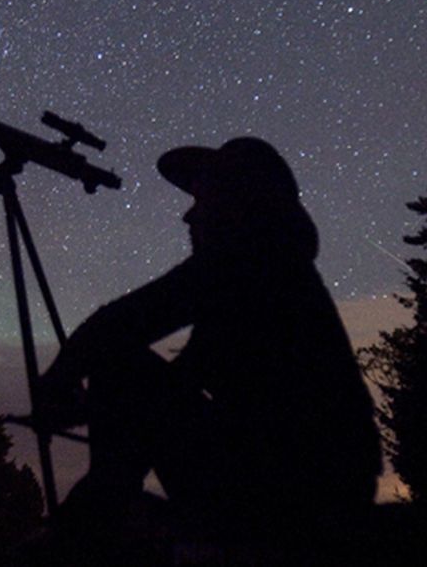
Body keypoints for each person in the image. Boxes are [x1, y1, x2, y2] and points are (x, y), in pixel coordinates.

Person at [37, 137, 380, 538]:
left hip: (299, 487)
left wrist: (60, 382)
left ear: (236, 202)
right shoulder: (273, 268)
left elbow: (125, 323)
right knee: (126, 376)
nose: (189, 216)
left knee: (121, 368)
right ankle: (103, 510)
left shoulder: (250, 259)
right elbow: (183, 374)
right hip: (312, 479)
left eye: (203, 199)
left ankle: (95, 519)